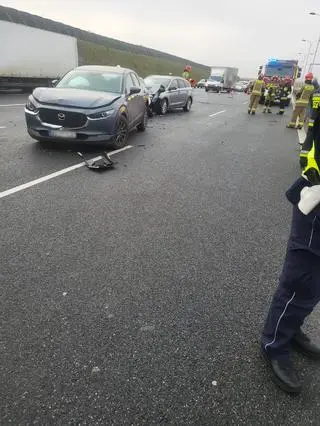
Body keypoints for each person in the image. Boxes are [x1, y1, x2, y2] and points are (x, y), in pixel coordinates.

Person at [261, 101, 320, 394]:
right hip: (317, 197)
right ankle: (275, 343)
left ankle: (291, 328)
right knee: (302, 280)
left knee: (313, 285)